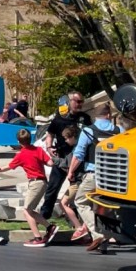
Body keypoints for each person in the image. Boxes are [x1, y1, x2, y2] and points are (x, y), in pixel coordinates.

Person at [67, 102, 123, 252]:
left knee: (81, 201)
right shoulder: (120, 131)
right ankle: (105, 241)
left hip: (95, 174)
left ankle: (97, 234)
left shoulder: (88, 131)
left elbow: (78, 155)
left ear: (95, 116)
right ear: (109, 115)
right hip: (115, 176)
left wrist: (71, 171)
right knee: (105, 206)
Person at [0, 129, 57, 247]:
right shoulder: (38, 150)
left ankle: (39, 235)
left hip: (35, 182)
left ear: (19, 142)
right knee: (30, 209)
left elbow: (9, 167)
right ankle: (49, 227)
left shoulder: (21, 155)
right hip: (42, 182)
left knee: (27, 210)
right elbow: (50, 163)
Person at [40, 90, 92, 220]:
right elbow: (50, 134)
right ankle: (45, 214)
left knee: (76, 189)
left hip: (78, 160)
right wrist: (49, 146)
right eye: (77, 101)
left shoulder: (85, 118)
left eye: (82, 102)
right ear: (69, 102)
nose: (79, 104)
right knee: (53, 186)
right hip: (61, 157)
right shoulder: (59, 119)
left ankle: (73, 216)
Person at [54, 126, 88, 241]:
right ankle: (84, 227)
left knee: (63, 203)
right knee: (82, 205)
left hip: (76, 182)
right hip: (80, 180)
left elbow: (67, 164)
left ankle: (79, 227)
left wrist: (55, 159)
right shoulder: (80, 148)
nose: (65, 141)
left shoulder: (75, 150)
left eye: (66, 138)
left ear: (73, 137)